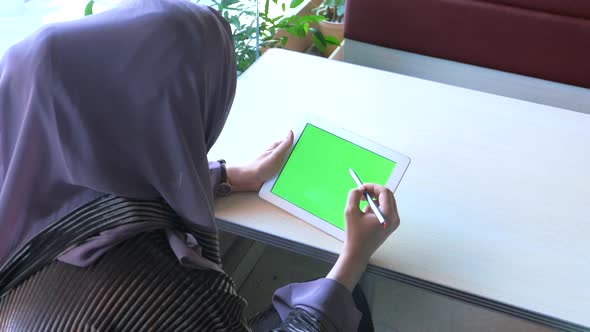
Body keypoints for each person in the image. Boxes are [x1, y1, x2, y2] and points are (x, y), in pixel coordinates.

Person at [0, 0, 401, 331]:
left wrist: (225, 177)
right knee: (352, 306)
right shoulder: (182, 298)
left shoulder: (16, 195)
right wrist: (352, 260)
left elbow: (102, 196)